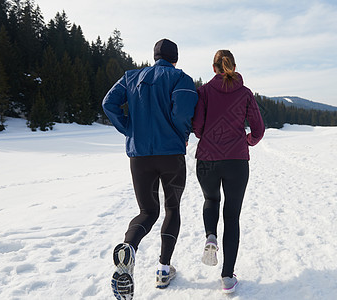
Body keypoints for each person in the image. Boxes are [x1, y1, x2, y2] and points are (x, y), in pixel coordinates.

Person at [102, 38, 198, 299]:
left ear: (155, 56)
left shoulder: (130, 77)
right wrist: (182, 135)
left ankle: (129, 247)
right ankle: (164, 269)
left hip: (140, 155)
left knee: (147, 211)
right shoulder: (181, 79)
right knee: (172, 208)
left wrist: (129, 129)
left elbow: (108, 104)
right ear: (175, 58)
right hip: (171, 154)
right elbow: (181, 114)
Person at [192, 50, 265, 293]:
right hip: (236, 160)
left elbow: (198, 127)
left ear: (214, 69)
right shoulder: (245, 94)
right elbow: (258, 128)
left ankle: (210, 236)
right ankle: (227, 277)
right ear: (233, 66)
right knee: (232, 217)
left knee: (210, 199)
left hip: (207, 159)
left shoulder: (203, 92)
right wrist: (248, 140)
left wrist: (209, 136)